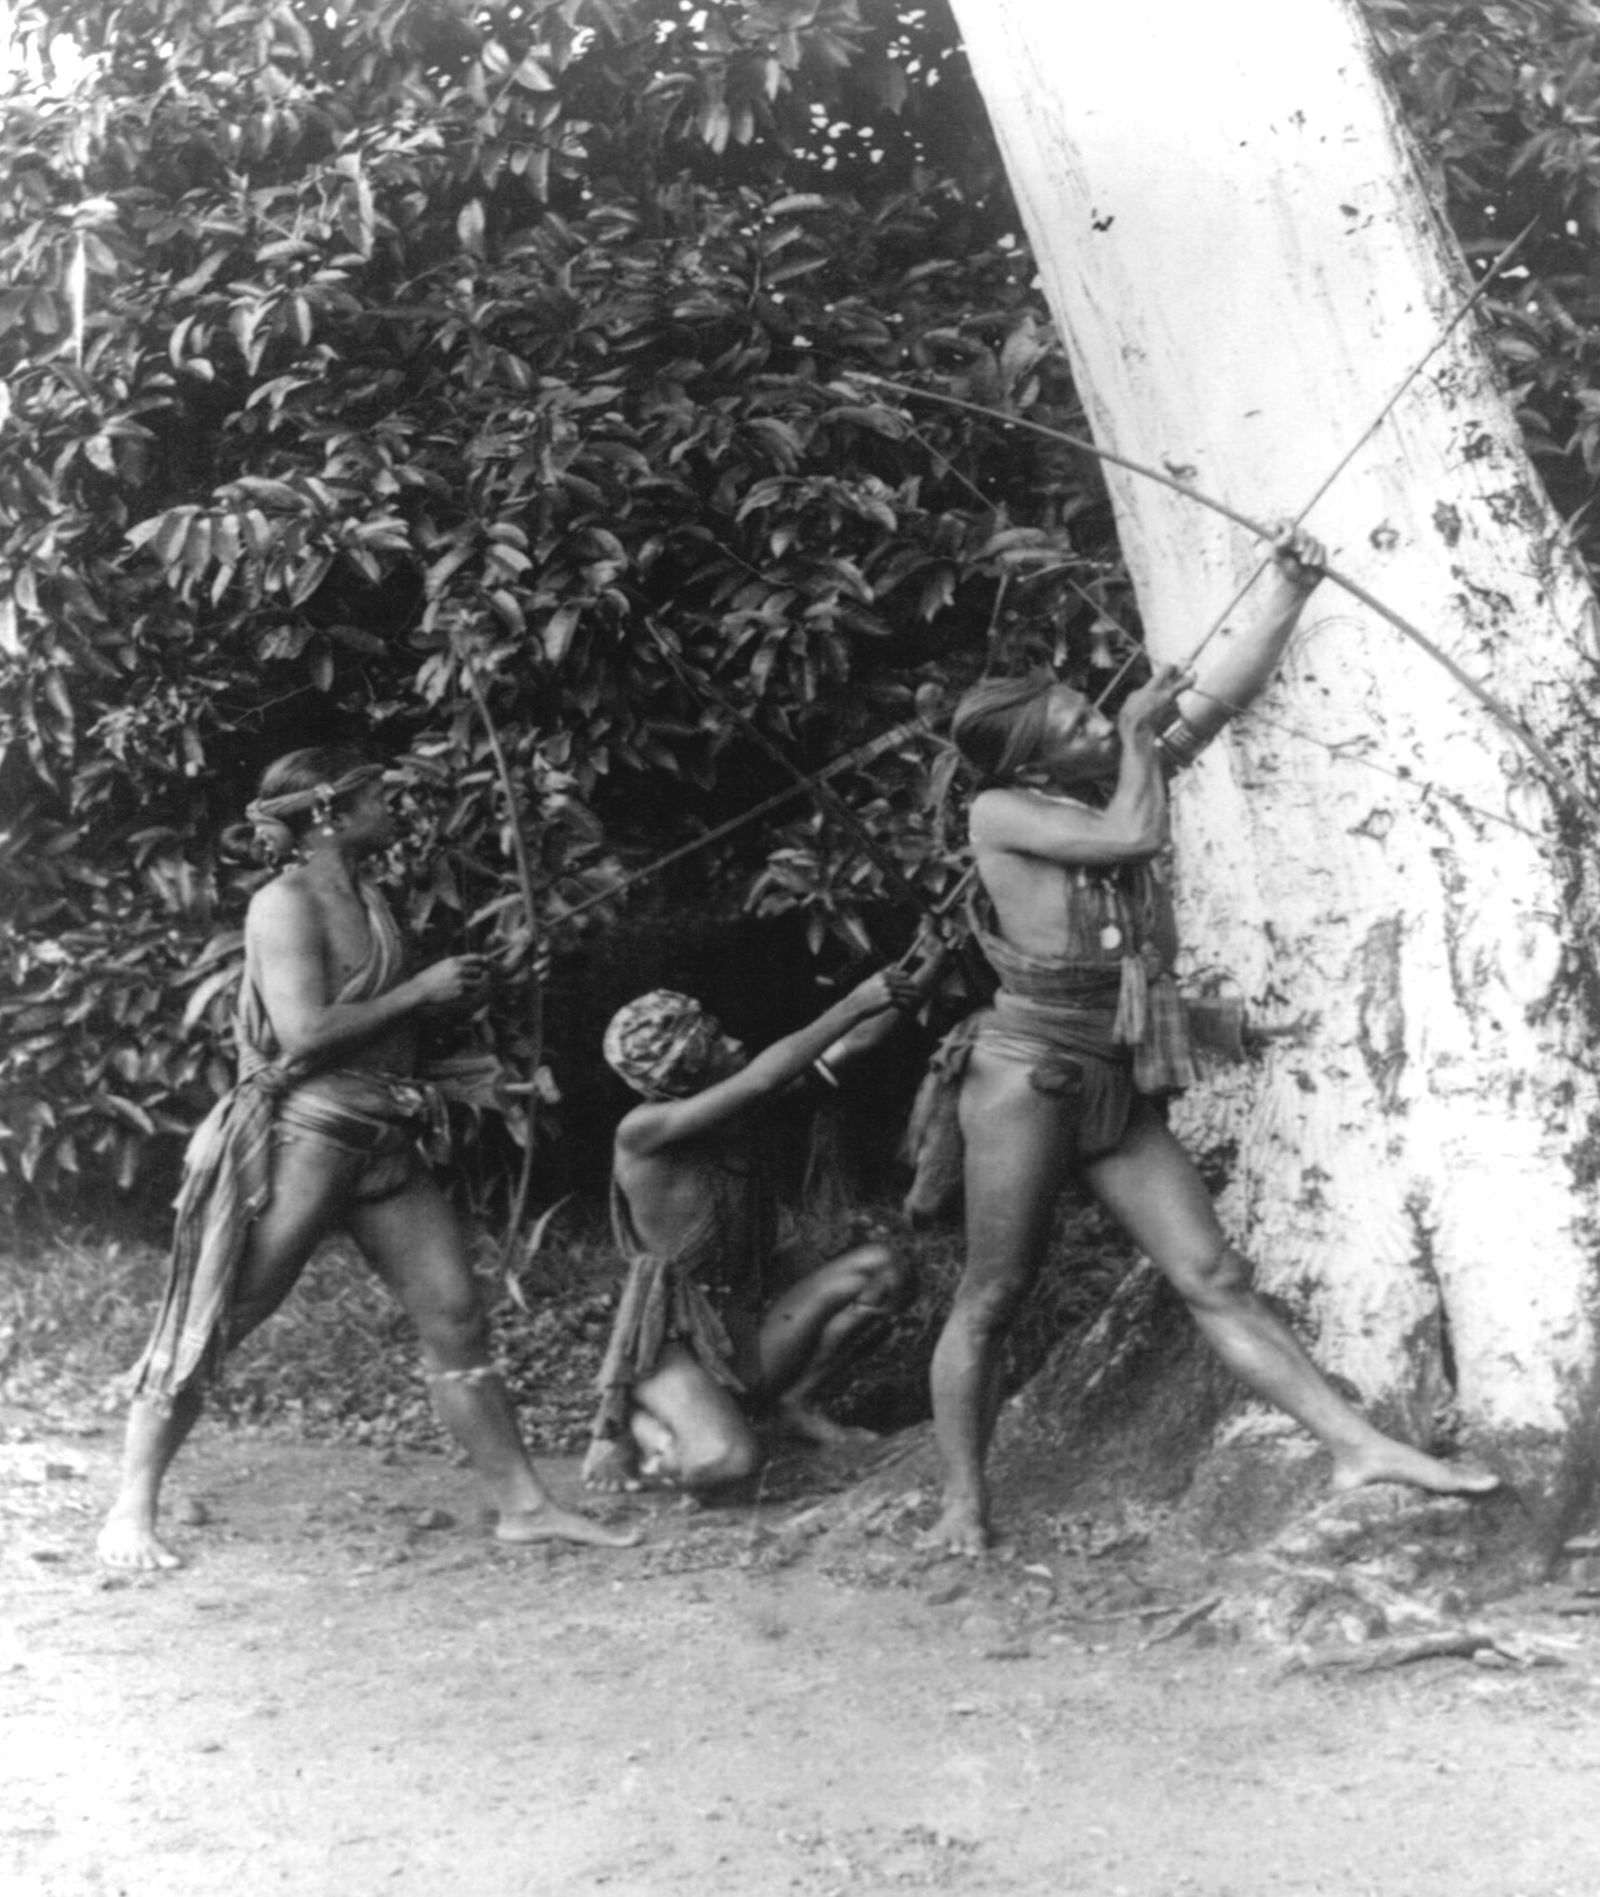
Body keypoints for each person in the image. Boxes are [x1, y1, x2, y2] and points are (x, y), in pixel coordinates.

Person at [924, 526, 1500, 1555]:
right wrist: (1137, 733)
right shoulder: (1001, 810)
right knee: (993, 1293)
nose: (1098, 720)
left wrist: (1289, 589)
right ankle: (960, 1503)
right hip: (1028, 1078)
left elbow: (1218, 698)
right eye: (1076, 722)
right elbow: (1132, 837)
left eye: (1091, 709)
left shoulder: (1114, 775)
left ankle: (1357, 1446)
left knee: (1214, 1275)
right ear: (1032, 758)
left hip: (1113, 1080)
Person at [97, 746, 635, 1569]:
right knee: (219, 1315)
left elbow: (388, 1024)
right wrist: (423, 988)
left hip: (384, 1136)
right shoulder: (284, 903)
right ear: (328, 814)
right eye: (377, 796)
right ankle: (130, 1508)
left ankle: (525, 1506)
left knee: (456, 1315)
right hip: (306, 1139)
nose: (393, 807)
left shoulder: (371, 897)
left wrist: (482, 983)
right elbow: (304, 1032)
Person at [582, 960, 937, 1493]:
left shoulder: (736, 1112)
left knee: (883, 1270)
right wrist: (852, 1002)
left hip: (742, 1337)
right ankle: (644, 1428)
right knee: (727, 1463)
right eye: (716, 1042)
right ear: (690, 1068)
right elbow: (764, 1077)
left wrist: (932, 957)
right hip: (674, 1346)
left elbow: (855, 1043)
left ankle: (793, 1404)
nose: (735, 1041)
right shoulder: (644, 1130)